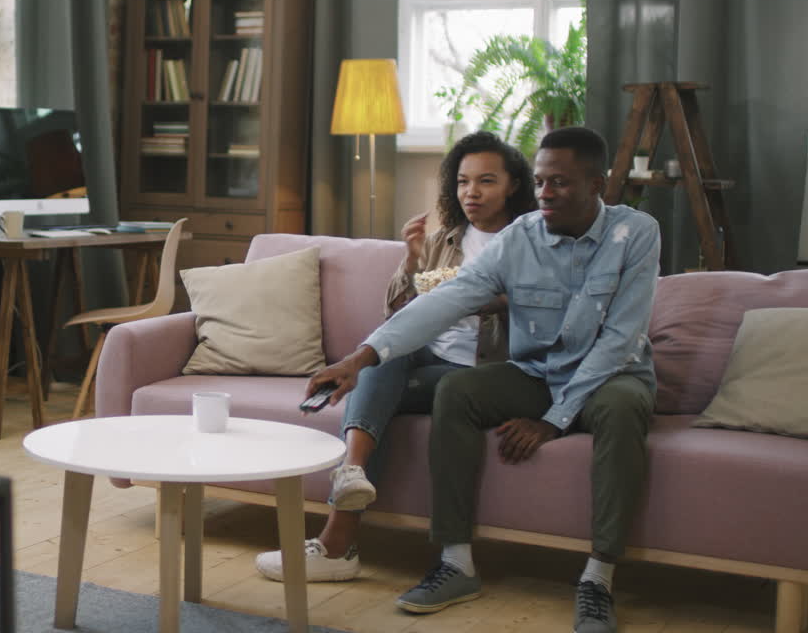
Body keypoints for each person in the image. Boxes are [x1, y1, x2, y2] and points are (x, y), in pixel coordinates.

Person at [304, 127, 660, 633]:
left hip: (614, 376)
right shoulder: (521, 237)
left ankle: (597, 580)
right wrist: (360, 358)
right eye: (539, 182)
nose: (545, 194)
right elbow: (446, 299)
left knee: (624, 409)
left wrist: (552, 422)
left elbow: (620, 339)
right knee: (458, 389)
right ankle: (456, 562)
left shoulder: (637, 232)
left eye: (559, 182)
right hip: (539, 373)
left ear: (597, 184)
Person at [254, 131, 537, 583]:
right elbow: (398, 315)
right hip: (427, 354)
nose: (472, 193)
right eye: (463, 182)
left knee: (375, 383)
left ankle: (336, 542)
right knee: (382, 360)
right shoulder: (447, 238)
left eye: (486, 181)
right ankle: (350, 479)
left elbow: (540, 309)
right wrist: (410, 262)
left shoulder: (530, 241)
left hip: (479, 372)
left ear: (513, 185)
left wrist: (487, 298)